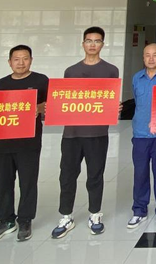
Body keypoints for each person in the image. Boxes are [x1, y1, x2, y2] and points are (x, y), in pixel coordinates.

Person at [51, 26, 120, 239]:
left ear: (102, 45)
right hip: (71, 134)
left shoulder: (111, 70)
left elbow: (110, 98)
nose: (92, 44)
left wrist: (114, 108)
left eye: (97, 41)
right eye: (89, 41)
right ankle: (66, 216)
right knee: (67, 175)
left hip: (97, 133)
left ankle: (95, 214)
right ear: (83, 44)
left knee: (95, 175)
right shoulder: (71, 71)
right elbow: (65, 99)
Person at [0, 45, 49, 243]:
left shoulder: (41, 81)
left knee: (27, 182)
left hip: (29, 143)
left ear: (31, 60)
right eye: (16, 59)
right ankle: (6, 220)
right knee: (3, 183)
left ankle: (25, 220)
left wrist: (39, 107)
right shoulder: (2, 83)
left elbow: (53, 106)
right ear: (9, 62)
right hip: (3, 143)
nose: (21, 63)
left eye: (25, 58)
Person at [128, 43, 156, 230]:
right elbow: (138, 102)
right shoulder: (136, 78)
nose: (151, 58)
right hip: (140, 134)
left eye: (155, 55)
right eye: (147, 55)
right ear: (143, 57)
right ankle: (139, 210)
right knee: (140, 173)